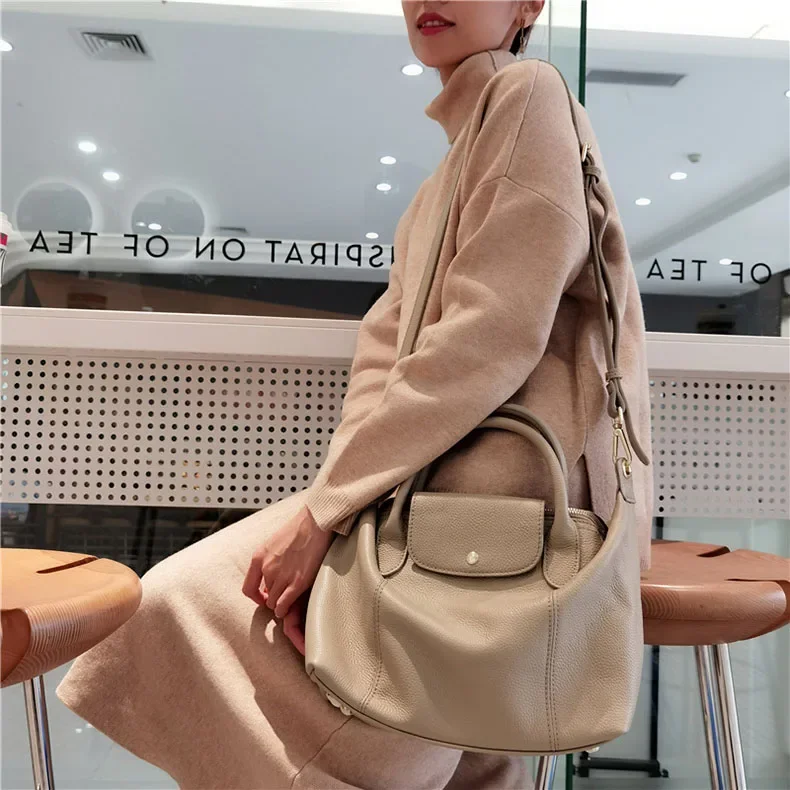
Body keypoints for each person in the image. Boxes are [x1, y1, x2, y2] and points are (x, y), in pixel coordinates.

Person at [57, 1, 653, 788]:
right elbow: (388, 361)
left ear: (529, 5)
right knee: (459, 741)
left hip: (514, 504)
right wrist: (334, 502)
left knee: (181, 606)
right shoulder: (450, 168)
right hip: (456, 496)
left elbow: (492, 334)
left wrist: (323, 514)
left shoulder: (529, 93)